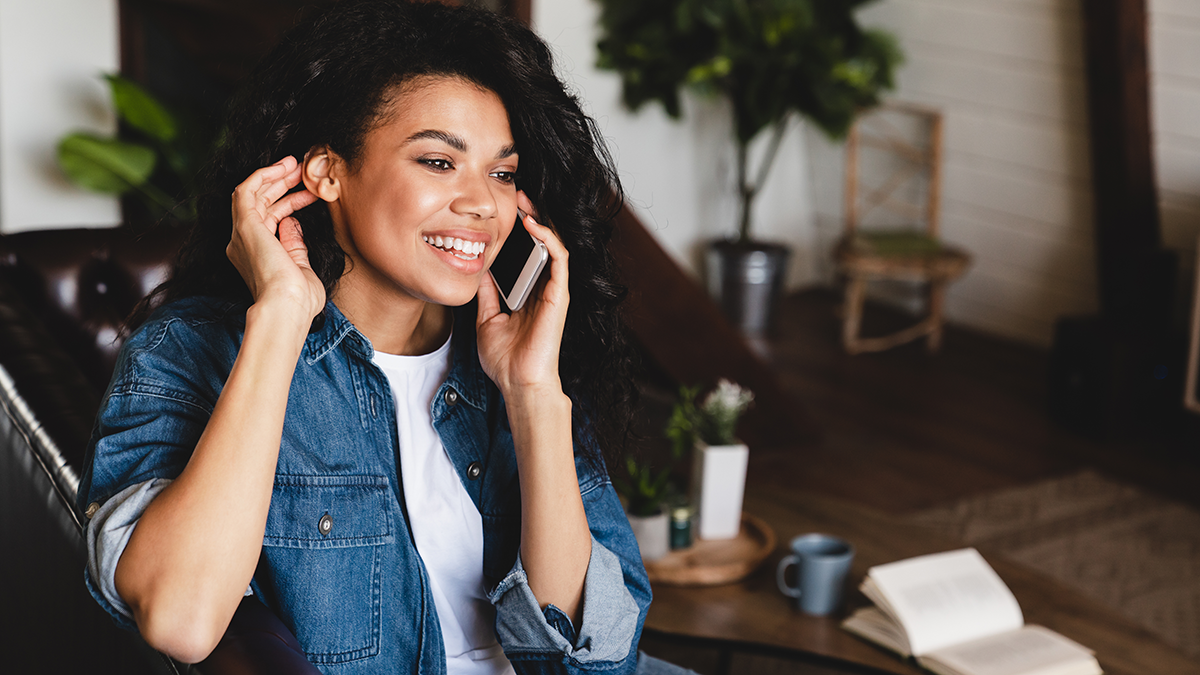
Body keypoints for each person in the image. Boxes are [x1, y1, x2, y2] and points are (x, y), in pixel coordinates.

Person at [76, 2, 679, 673]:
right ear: (327, 172)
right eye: (438, 161)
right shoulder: (183, 352)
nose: (483, 202)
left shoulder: (512, 351)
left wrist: (534, 392)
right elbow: (180, 619)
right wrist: (279, 318)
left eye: (502, 172)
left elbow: (597, 661)